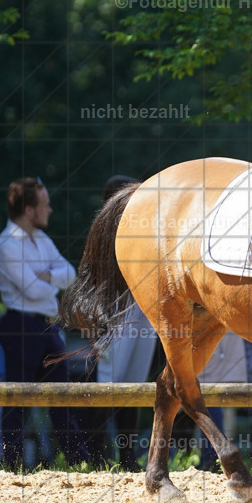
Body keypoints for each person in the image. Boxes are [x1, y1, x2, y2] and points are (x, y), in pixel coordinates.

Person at [0, 177, 90, 470]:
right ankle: (14, 462)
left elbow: (70, 274)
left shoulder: (41, 240)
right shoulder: (6, 245)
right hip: (20, 325)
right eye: (45, 205)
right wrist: (50, 277)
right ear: (30, 210)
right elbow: (32, 291)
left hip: (48, 327)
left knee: (62, 397)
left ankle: (77, 460)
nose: (50, 210)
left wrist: (44, 274)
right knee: (16, 398)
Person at [94, 175, 157, 471]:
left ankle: (127, 457)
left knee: (133, 388)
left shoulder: (143, 231)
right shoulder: (104, 236)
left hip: (143, 308)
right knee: (109, 385)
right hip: (116, 312)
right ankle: (94, 454)